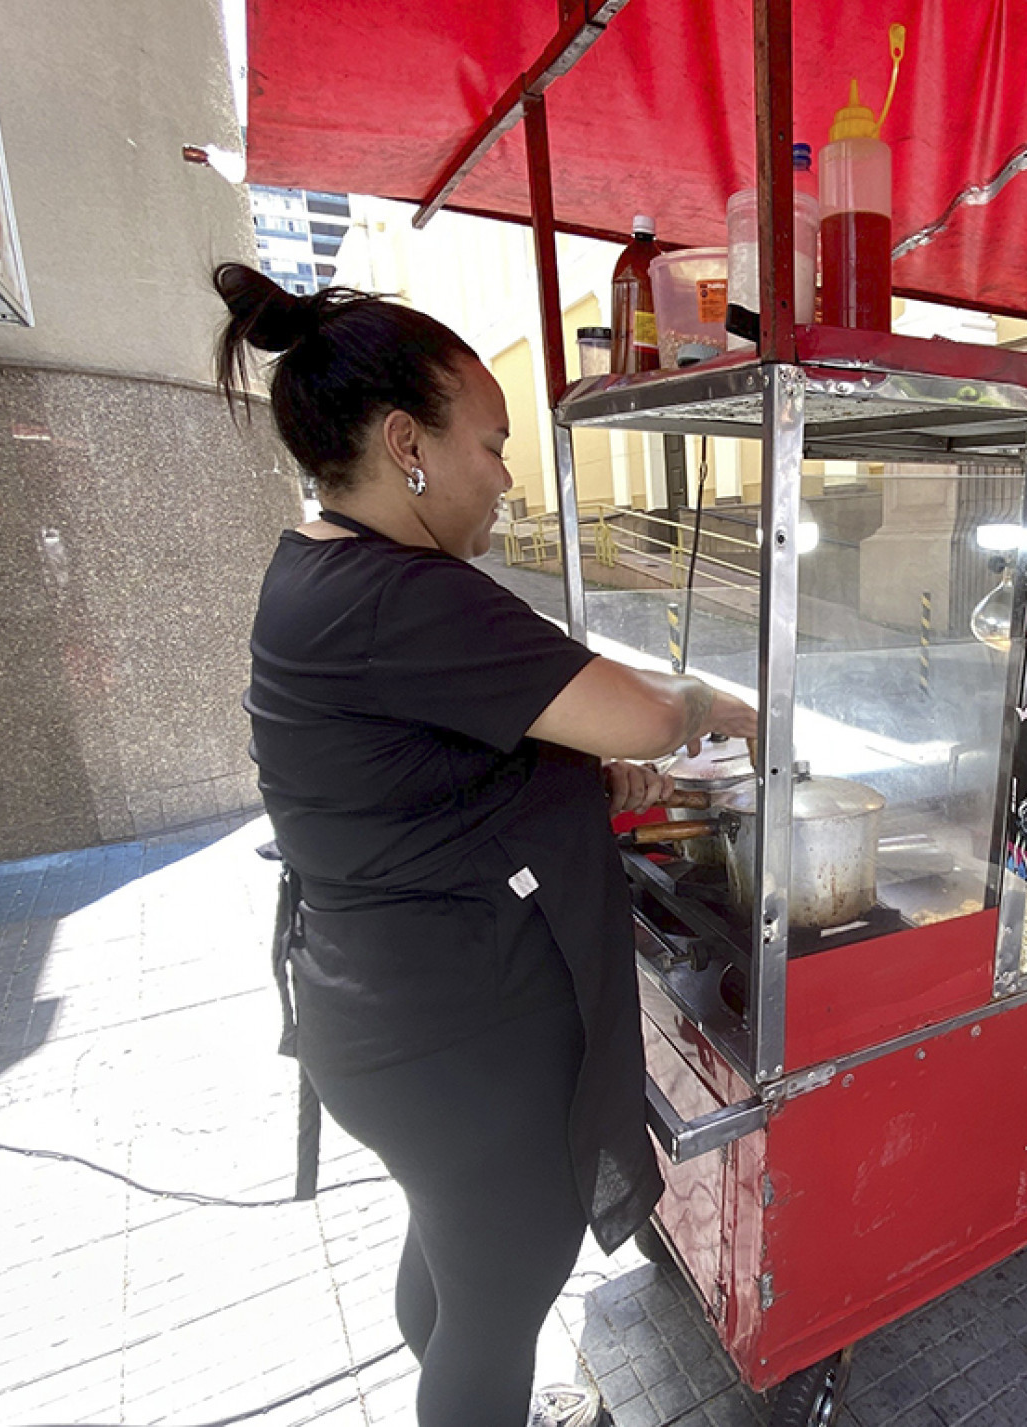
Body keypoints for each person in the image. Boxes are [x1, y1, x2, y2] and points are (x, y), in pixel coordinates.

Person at [213, 262, 758, 1427]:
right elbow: (649, 712)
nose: (503, 475)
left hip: (384, 1015)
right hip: (453, 1030)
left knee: (462, 1259)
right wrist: (711, 706)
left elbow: (424, 762)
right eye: (493, 443)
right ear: (408, 440)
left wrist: (576, 774)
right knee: (506, 1287)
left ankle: (464, 1378)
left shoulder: (321, 562)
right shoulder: (402, 594)